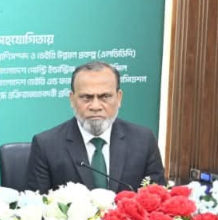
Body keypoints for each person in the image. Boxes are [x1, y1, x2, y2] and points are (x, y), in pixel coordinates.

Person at [27, 61, 165, 192]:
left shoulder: (143, 141)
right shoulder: (46, 145)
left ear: (119, 98)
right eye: (86, 97)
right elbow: (37, 204)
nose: (95, 106)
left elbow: (159, 200)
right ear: (72, 99)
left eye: (105, 96)